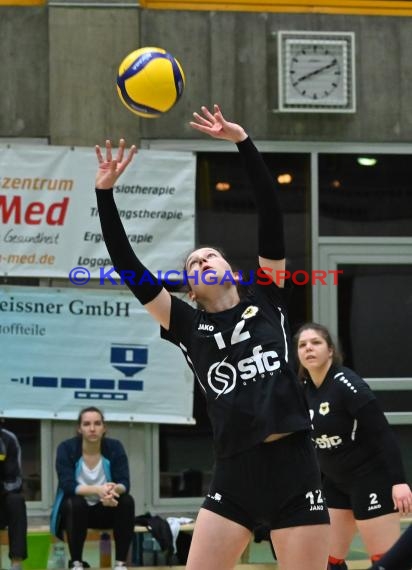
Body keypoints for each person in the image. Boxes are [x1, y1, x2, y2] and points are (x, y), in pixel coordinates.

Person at [94, 104, 330, 570]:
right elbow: (130, 268)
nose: (202, 263)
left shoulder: (268, 296)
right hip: (235, 471)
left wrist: (243, 142)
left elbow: (271, 214)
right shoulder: (184, 324)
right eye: (193, 264)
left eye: (210, 257)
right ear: (190, 288)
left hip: (294, 464)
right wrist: (104, 194)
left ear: (230, 270)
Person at [295, 322, 412, 570]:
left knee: (386, 562)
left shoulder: (348, 385)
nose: (308, 348)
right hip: (337, 483)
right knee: (326, 560)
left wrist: (399, 482)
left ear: (330, 351)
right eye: (302, 345)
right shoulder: (304, 391)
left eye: (316, 342)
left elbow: (382, 433)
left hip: (371, 480)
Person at [50, 407, 135, 570]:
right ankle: (76, 563)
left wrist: (112, 491)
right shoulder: (66, 448)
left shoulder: (115, 447)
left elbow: (125, 483)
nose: (92, 428)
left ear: (104, 428)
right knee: (75, 503)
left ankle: (121, 564)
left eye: (97, 423)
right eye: (87, 424)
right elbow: (67, 485)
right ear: (79, 428)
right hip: (76, 513)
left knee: (126, 501)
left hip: (106, 507)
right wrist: (98, 490)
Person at [0, 423, 28, 570]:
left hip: (2, 499)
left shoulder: (9, 439)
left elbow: (15, 481)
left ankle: (16, 563)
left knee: (16, 501)